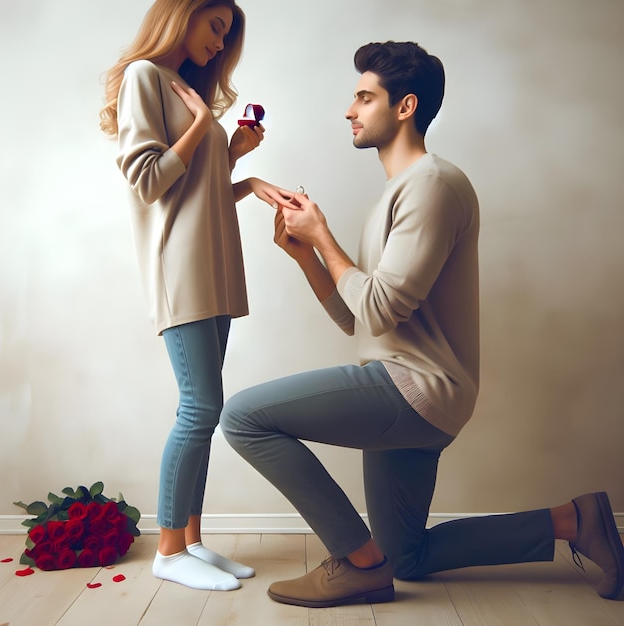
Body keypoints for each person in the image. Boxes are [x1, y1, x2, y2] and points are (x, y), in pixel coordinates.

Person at [219, 41, 624, 607]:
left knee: (242, 418)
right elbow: (357, 318)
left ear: (404, 107)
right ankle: (574, 521)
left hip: (414, 388)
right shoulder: (399, 193)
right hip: (407, 385)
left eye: (364, 97)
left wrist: (324, 240)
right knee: (406, 556)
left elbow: (379, 309)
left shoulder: (433, 184)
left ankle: (356, 563)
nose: (349, 110)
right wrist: (306, 253)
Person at [100, 0, 293, 591]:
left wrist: (239, 164)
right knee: (199, 408)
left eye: (227, 34)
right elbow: (148, 180)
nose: (220, 42)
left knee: (204, 412)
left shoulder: (187, 89)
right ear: (180, 15)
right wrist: (202, 131)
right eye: (215, 26)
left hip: (213, 266)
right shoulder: (145, 78)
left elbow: (198, 191)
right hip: (179, 270)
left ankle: (191, 541)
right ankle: (166, 550)